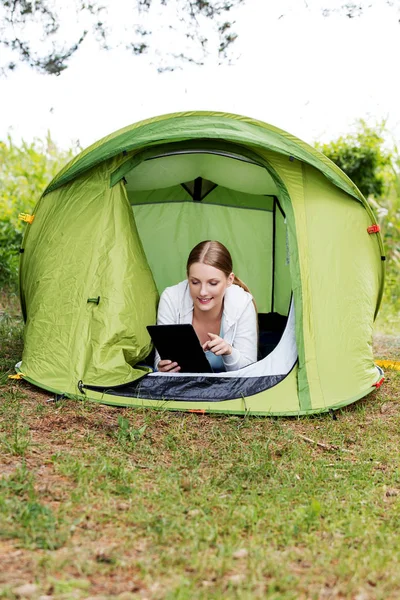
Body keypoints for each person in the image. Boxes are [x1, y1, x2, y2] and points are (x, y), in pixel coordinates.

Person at [156, 240, 258, 373]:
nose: (203, 292)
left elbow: (251, 372)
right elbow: (160, 361)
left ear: (229, 280)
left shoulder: (243, 303)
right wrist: (163, 368)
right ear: (188, 277)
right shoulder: (171, 298)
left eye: (213, 283)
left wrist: (229, 352)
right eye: (195, 282)